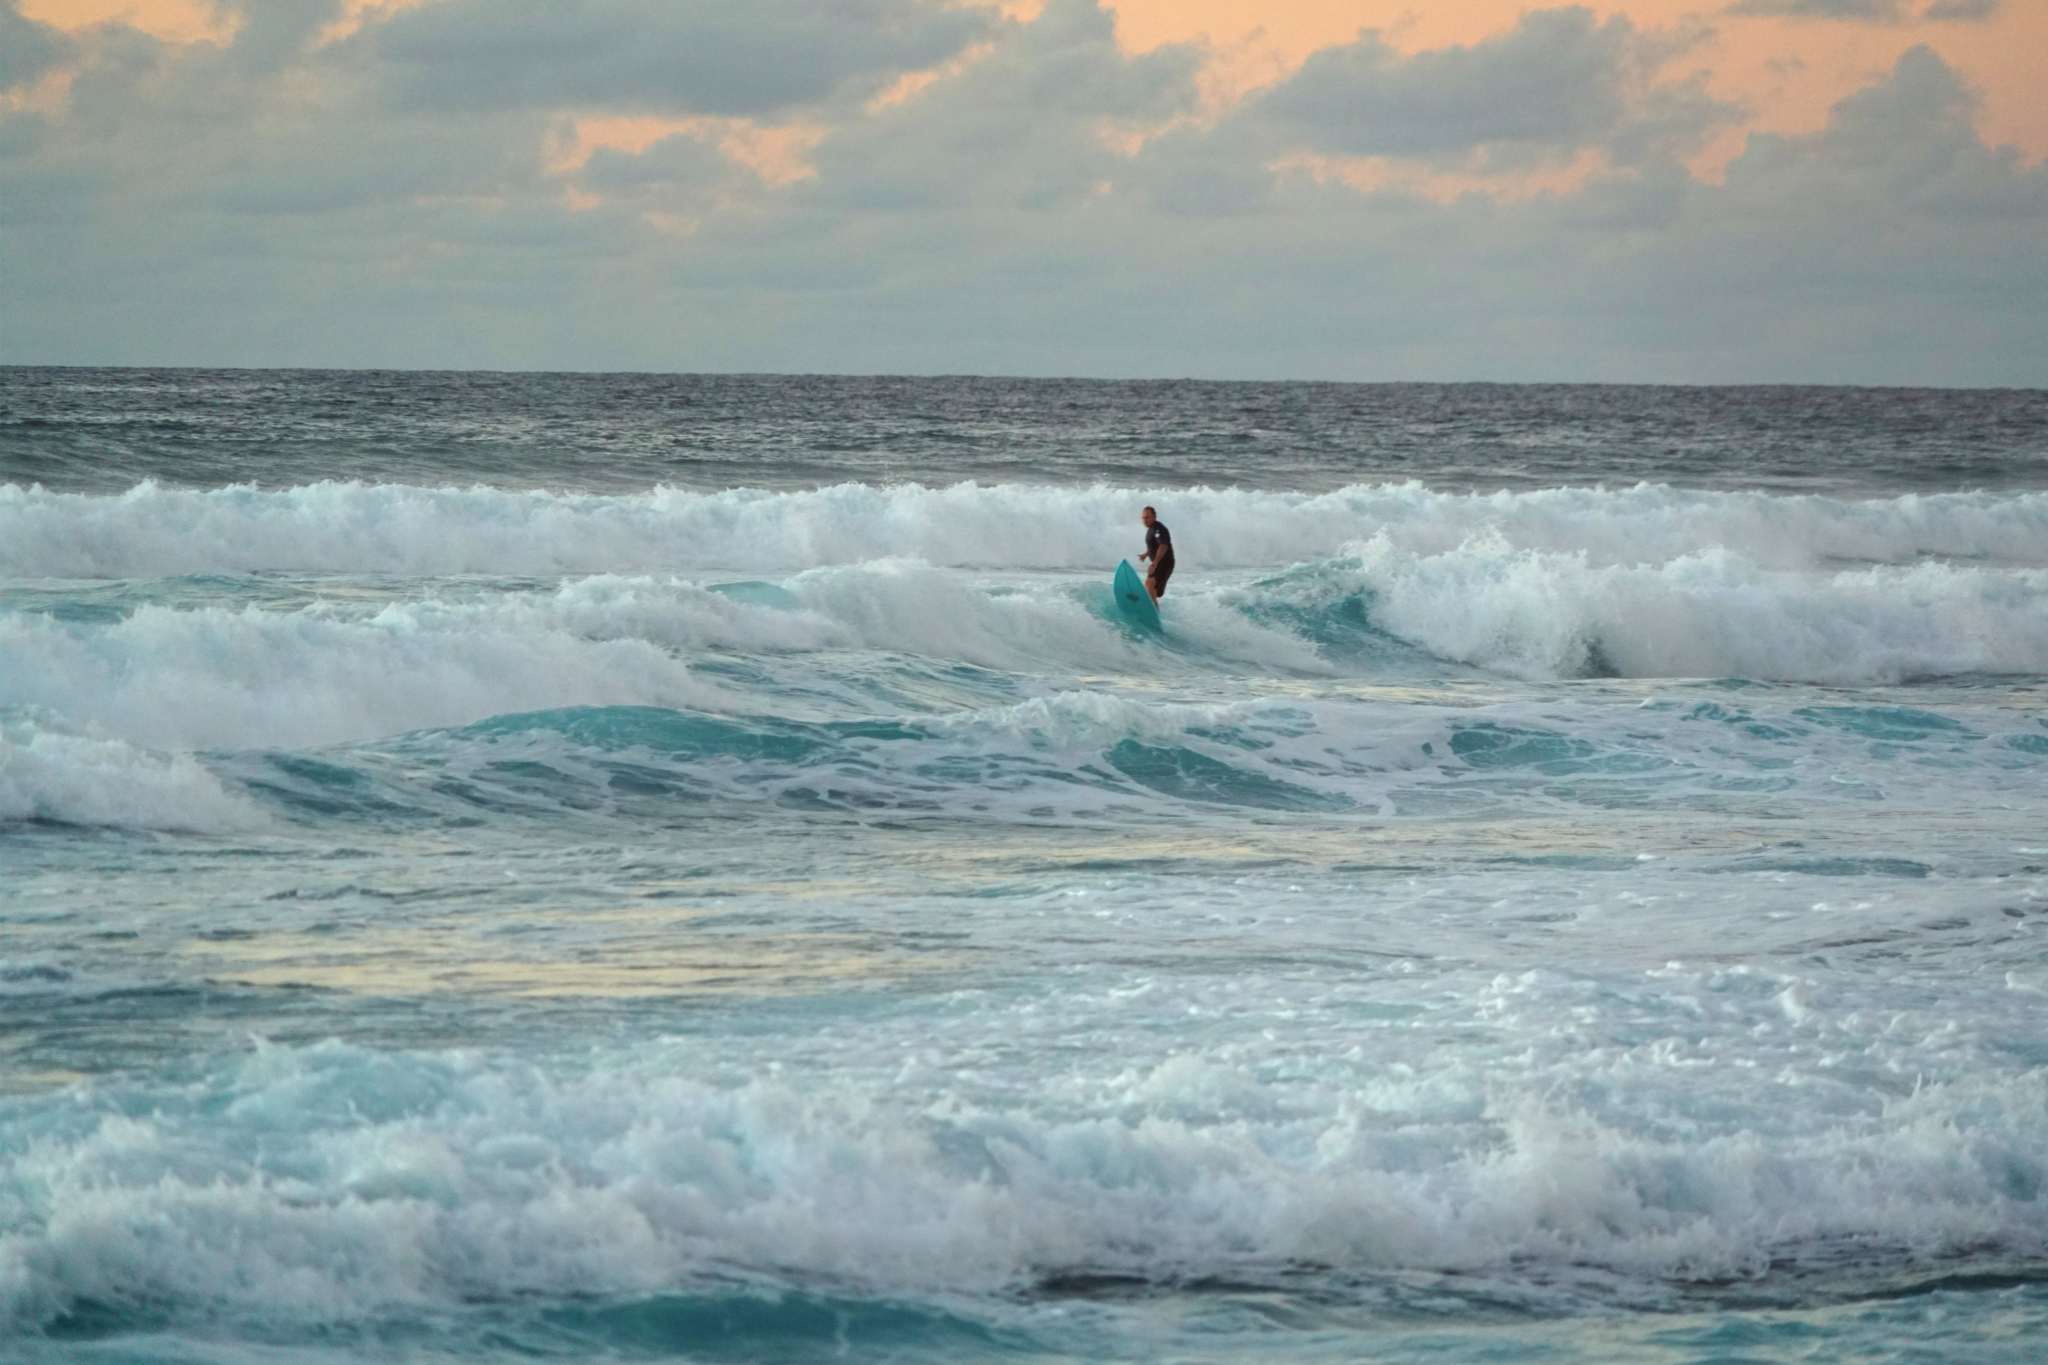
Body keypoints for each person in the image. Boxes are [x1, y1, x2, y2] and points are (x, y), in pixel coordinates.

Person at [1139, 506, 1174, 607]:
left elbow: (1163, 545)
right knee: (1148, 586)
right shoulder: (1151, 529)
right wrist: (1146, 554)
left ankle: (1154, 614)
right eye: (1143, 518)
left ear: (1154, 517)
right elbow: (1154, 546)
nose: (1144, 520)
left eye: (1147, 518)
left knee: (1151, 586)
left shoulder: (1159, 529)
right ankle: (1151, 609)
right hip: (1159, 565)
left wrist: (1154, 563)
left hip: (1164, 564)